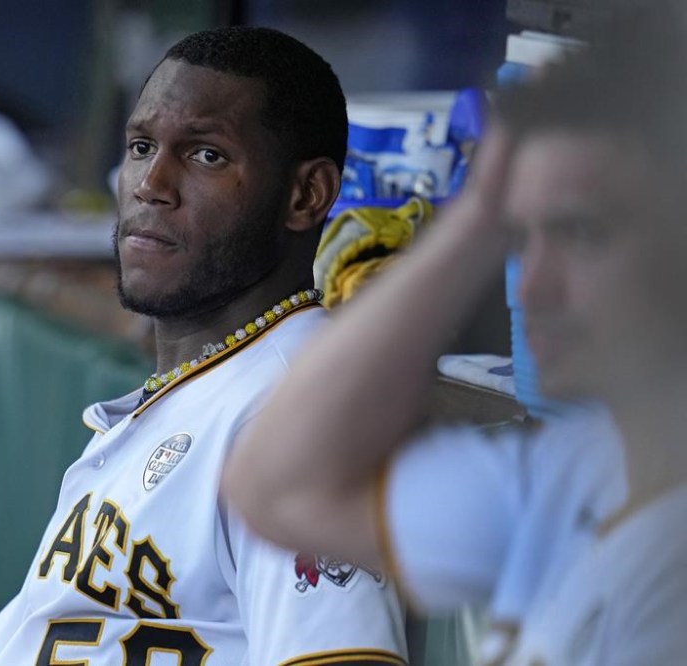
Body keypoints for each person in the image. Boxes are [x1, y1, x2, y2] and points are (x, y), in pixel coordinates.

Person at [223, 8, 687, 665]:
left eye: (583, 233)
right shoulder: (573, 475)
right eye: (520, 238)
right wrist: (479, 212)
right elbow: (273, 486)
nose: (532, 288)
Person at [0, 26, 407, 665]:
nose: (151, 183)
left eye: (206, 156)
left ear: (305, 195)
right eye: (142, 146)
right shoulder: (204, 389)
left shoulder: (295, 414)